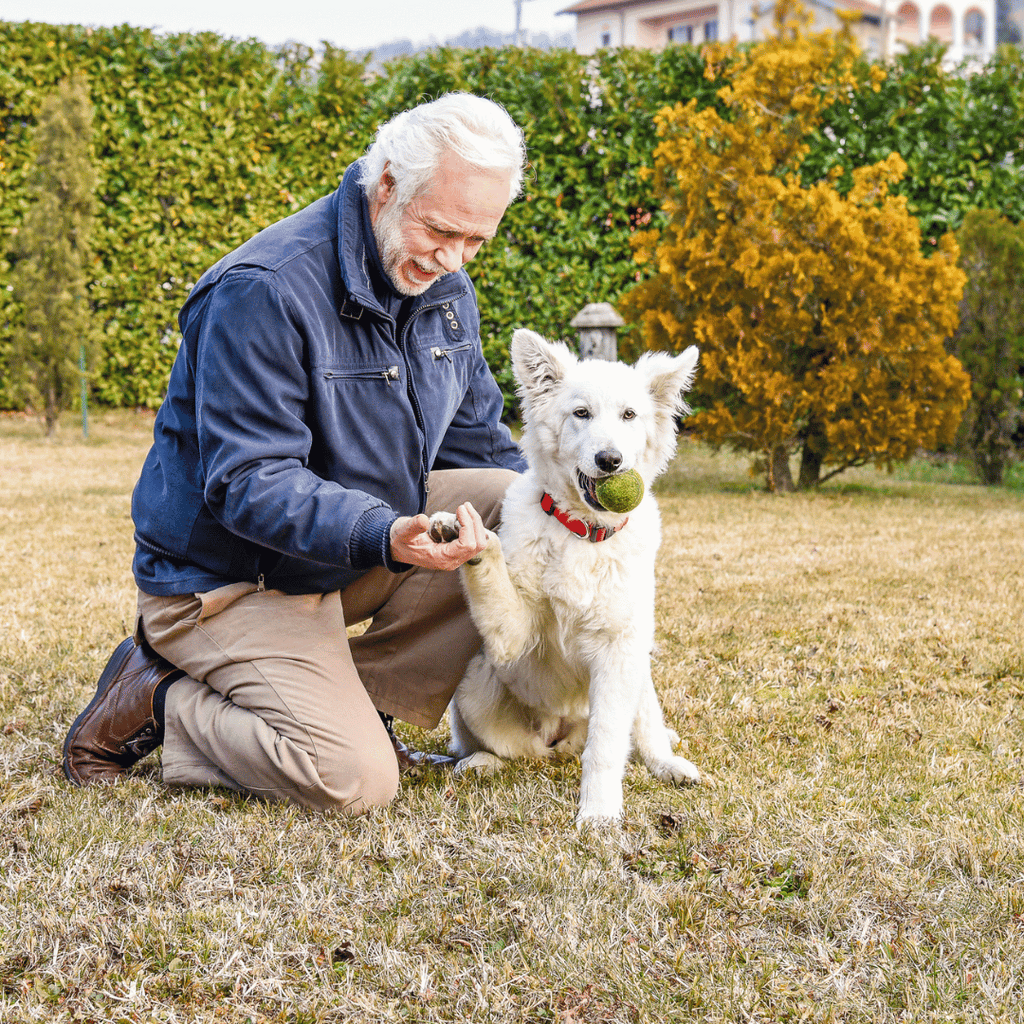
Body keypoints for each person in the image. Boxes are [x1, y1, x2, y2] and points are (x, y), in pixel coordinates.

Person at [62, 93, 528, 813]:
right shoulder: (264, 290)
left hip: (346, 557)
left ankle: (358, 702)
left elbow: (482, 442)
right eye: (441, 230)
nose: (454, 260)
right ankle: (162, 699)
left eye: (476, 243)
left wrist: (572, 527)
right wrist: (385, 532)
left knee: (513, 506)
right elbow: (249, 481)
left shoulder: (445, 287)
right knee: (355, 782)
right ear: (386, 187)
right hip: (225, 583)